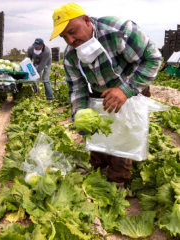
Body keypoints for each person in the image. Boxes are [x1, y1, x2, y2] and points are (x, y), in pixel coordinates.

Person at [50, 3, 162, 187]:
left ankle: (117, 181)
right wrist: (79, 114)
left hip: (132, 87)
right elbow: (76, 88)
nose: (70, 40)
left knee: (123, 137)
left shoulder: (119, 31)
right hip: (99, 93)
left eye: (73, 31)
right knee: (98, 135)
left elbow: (153, 59)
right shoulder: (71, 56)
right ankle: (98, 170)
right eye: (64, 37)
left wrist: (126, 90)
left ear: (86, 20)